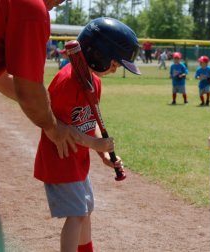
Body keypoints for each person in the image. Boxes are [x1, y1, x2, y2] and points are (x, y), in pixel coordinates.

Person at [34, 17, 140, 252]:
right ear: (99, 55)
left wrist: (101, 154)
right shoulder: (66, 82)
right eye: (115, 63)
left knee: (85, 210)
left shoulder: (94, 83)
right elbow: (56, 127)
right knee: (76, 214)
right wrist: (94, 143)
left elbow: (86, 123)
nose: (115, 69)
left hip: (78, 159)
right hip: (60, 159)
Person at [0, 1, 79, 250]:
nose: (62, 2)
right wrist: (53, 126)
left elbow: (0, 79)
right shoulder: (31, 7)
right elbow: (29, 91)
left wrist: (50, 113)